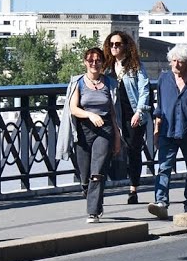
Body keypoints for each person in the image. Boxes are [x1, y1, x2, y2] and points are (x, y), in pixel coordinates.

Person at [56, 47, 124, 223]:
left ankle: (93, 212)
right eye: (90, 60)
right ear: (85, 62)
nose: (94, 63)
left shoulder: (109, 83)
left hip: (105, 130)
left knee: (97, 172)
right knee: (85, 175)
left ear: (103, 63)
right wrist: (90, 115)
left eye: (98, 60)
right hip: (83, 131)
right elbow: (73, 108)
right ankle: (90, 193)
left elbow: (114, 113)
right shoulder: (78, 83)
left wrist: (117, 137)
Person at [148, 44, 187, 219]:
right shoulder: (164, 79)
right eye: (173, 60)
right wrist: (156, 130)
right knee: (164, 167)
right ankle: (161, 203)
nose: (175, 64)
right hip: (167, 131)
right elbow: (160, 108)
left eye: (180, 61)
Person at [104, 31, 151, 204]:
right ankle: (98, 187)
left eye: (118, 44)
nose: (114, 47)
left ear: (125, 46)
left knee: (133, 151)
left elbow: (144, 89)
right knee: (106, 149)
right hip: (113, 114)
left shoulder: (135, 65)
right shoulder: (107, 67)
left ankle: (133, 189)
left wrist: (139, 112)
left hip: (132, 114)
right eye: (111, 44)